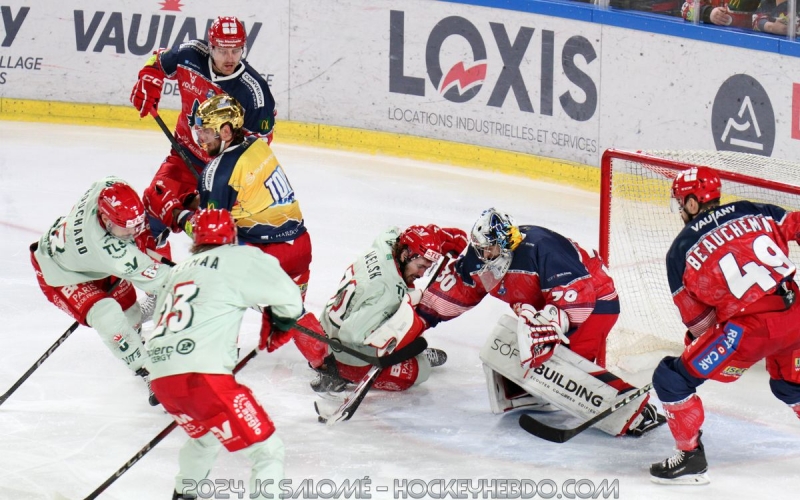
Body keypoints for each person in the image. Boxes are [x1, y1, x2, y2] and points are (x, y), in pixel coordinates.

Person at [416, 208, 665, 436]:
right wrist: (419, 321)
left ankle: (638, 413)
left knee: (566, 366)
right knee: (519, 351)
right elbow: (461, 287)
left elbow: (578, 293)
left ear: (506, 245)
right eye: (481, 247)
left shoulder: (542, 248)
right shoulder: (481, 253)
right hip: (547, 305)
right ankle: (527, 391)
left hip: (594, 303)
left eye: (489, 249)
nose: (483, 254)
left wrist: (551, 325)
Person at [149, 93, 329, 374]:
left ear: (225, 130)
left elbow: (208, 235)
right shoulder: (256, 145)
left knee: (211, 289)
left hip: (265, 255)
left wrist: (175, 214)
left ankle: (207, 365)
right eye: (199, 131)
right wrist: (190, 200)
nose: (200, 140)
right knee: (292, 312)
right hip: (300, 248)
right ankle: (327, 367)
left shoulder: (217, 172)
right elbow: (239, 198)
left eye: (207, 132)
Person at [649, 167, 800, 484]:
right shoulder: (753, 209)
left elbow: (701, 324)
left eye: (681, 202)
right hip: (797, 314)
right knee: (789, 386)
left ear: (692, 204)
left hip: (748, 333)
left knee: (672, 378)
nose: (680, 210)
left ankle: (691, 458)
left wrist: (697, 345)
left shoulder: (679, 251)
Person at [145, 208, 303, 500]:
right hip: (203, 378)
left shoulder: (177, 271)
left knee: (205, 440)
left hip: (161, 379)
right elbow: (291, 301)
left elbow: (159, 322)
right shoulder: (240, 258)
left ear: (196, 238)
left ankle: (183, 495)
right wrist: (280, 320)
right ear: (232, 235)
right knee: (268, 451)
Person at [130, 16, 276, 264]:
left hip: (225, 173)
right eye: (222, 50)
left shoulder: (255, 92)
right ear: (210, 46)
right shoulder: (190, 54)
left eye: (236, 50)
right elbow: (157, 59)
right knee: (152, 212)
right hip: (183, 154)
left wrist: (218, 184)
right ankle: (157, 286)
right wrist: (148, 78)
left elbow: (257, 149)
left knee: (219, 242)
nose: (230, 58)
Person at [29, 177, 171, 405]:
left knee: (131, 315)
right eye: (127, 229)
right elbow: (159, 279)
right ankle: (149, 371)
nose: (133, 233)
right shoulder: (109, 250)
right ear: (105, 219)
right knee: (108, 316)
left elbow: (112, 186)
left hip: (90, 263)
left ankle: (134, 336)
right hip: (59, 273)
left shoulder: (105, 187)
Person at [303, 224, 468, 393]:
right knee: (422, 369)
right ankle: (340, 374)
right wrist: (389, 337)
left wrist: (438, 239)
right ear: (405, 255)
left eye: (427, 267)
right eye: (421, 266)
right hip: (343, 356)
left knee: (404, 311)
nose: (422, 274)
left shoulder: (385, 243)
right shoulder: (389, 293)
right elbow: (350, 333)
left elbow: (399, 232)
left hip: (324, 331)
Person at [681, 0, 759, 28]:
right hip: (708, 38)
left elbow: (761, 17)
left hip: (743, 40)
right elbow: (685, 9)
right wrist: (709, 13)